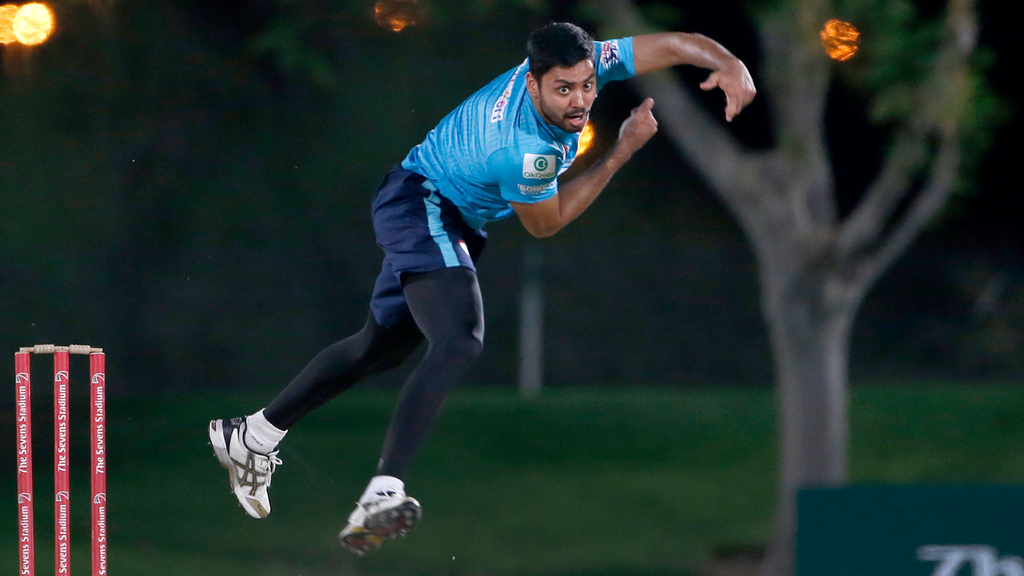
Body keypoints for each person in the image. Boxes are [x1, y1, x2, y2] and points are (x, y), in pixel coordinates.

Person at [209, 21, 755, 556]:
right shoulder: (522, 148)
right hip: (425, 205)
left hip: (439, 208)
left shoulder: (576, 65)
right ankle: (383, 491)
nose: (580, 100)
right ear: (533, 81)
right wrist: (623, 150)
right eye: (563, 89)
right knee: (460, 340)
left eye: (586, 84)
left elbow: (671, 43)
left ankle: (253, 436)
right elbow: (547, 222)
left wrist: (726, 62)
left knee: (382, 346)